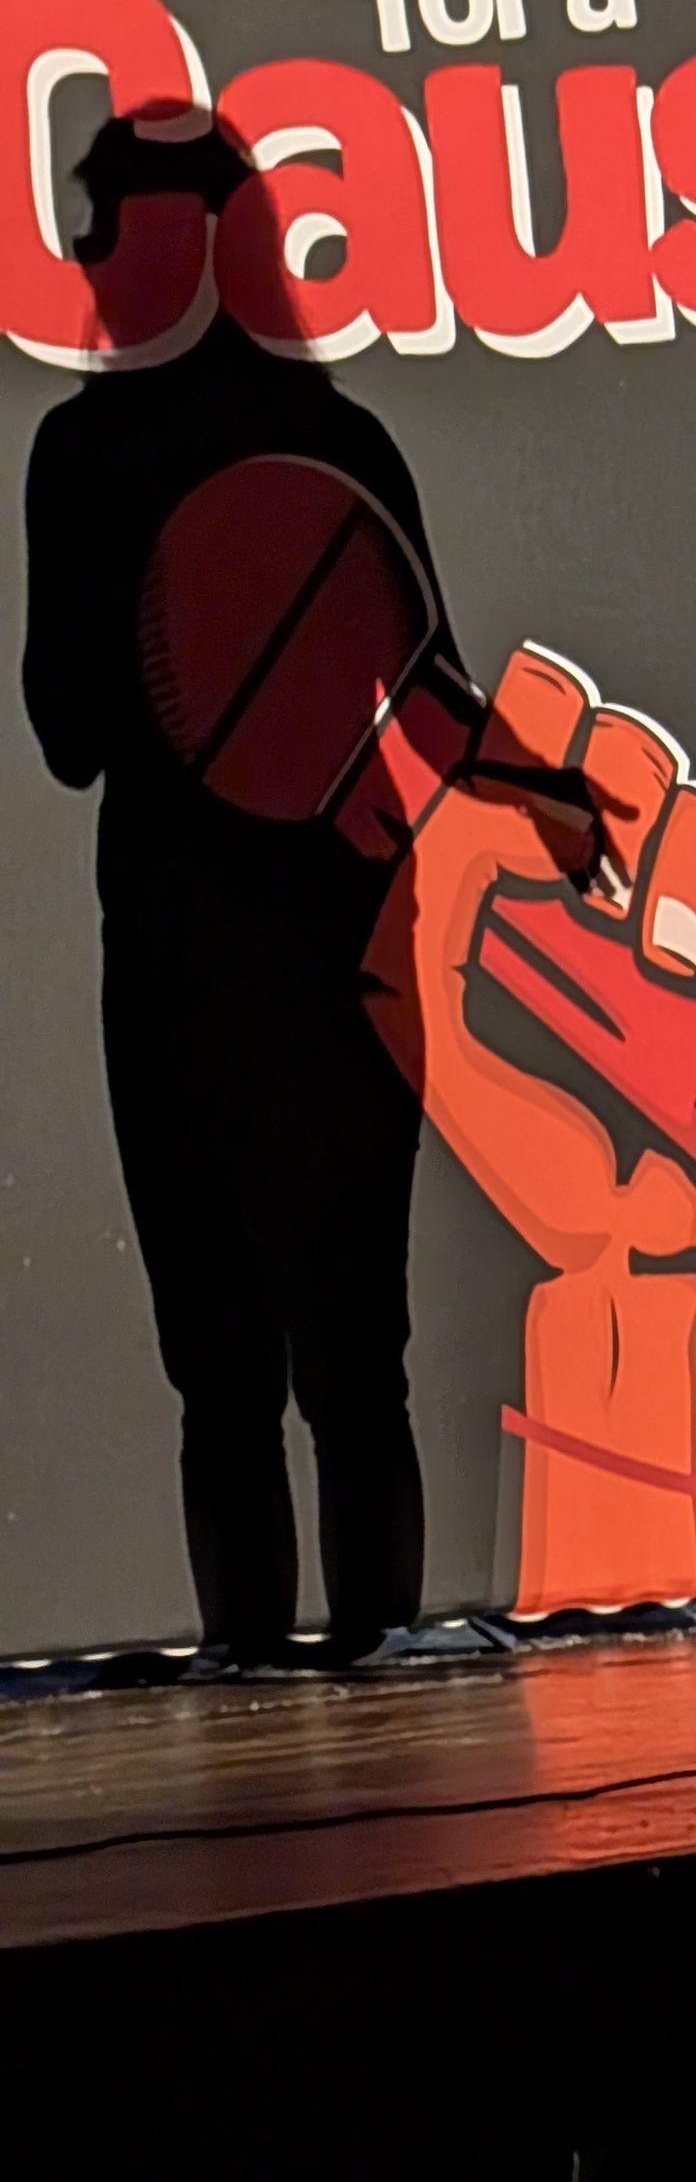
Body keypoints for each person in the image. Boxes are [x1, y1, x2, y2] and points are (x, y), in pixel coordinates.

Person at [22, 111, 453, 1671]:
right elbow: (429, 709)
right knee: (361, 1368)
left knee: (224, 1379)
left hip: (179, 963)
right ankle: (384, 1707)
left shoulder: (79, 454)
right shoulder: (347, 443)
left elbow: (68, 731)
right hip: (345, 957)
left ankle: (255, 1736)